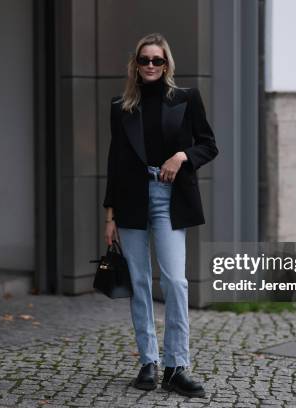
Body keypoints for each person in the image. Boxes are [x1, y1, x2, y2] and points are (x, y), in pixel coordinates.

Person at [102, 32, 218, 398]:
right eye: (144, 60)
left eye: (157, 60)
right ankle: (148, 363)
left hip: (169, 196)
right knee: (139, 282)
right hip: (131, 199)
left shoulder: (185, 99)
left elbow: (208, 144)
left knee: (175, 282)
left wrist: (181, 157)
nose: (151, 66)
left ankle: (176, 366)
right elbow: (115, 162)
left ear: (167, 64)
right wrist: (109, 216)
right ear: (135, 65)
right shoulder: (121, 106)